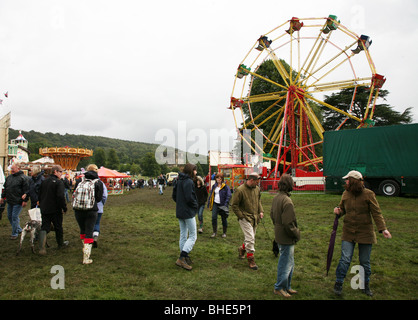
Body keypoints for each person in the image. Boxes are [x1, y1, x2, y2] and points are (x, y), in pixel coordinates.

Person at [333, 170, 392, 297]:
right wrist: (338, 211)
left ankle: (365, 285)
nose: (345, 181)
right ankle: (338, 283)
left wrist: (383, 229)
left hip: (365, 232)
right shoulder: (345, 194)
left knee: (364, 261)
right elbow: (342, 208)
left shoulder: (369, 194)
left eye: (347, 179)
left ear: (353, 181)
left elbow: (376, 213)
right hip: (348, 231)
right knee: (345, 259)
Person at [270, 174, 300, 298]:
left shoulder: (277, 198)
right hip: (286, 236)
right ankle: (279, 287)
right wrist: (296, 233)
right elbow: (289, 223)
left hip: (279, 233)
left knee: (289, 261)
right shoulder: (287, 201)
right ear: (290, 184)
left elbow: (272, 215)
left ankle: (286, 286)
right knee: (285, 262)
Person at [231, 172, 264, 270]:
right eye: (257, 181)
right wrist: (241, 216)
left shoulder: (257, 189)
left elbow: (258, 201)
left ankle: (242, 249)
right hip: (245, 218)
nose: (258, 184)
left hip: (255, 218)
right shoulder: (240, 190)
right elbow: (234, 205)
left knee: (250, 237)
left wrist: (261, 211)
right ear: (251, 180)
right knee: (250, 239)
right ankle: (251, 259)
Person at [73, 164, 104, 264]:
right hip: (91, 209)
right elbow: (99, 198)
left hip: (78, 209)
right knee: (89, 231)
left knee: (82, 230)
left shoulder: (79, 180)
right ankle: (86, 257)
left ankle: (84, 248)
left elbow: (74, 193)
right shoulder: (98, 182)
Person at [172, 163, 198, 271]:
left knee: (183, 234)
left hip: (180, 211)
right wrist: (195, 205)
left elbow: (174, 196)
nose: (196, 172)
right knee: (193, 236)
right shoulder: (188, 181)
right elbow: (189, 198)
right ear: (191, 171)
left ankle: (184, 256)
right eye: (195, 170)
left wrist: (180, 204)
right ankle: (182, 257)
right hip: (187, 212)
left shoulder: (179, 180)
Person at [38, 165, 69, 253]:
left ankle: (42, 247)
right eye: (60, 172)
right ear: (55, 171)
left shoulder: (44, 181)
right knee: (58, 226)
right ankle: (60, 244)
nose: (61, 174)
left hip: (44, 208)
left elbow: (39, 194)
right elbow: (60, 196)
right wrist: (64, 207)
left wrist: (40, 203)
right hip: (55, 209)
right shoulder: (59, 183)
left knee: (44, 227)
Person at [0, 163, 29, 240]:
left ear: (18, 168)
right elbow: (6, 188)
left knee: (14, 217)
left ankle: (14, 233)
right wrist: (2, 197)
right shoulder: (9, 177)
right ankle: (18, 229)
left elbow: (27, 190)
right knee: (9, 216)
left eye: (13, 168)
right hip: (10, 200)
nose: (11, 170)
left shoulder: (23, 178)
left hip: (18, 201)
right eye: (11, 168)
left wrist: (25, 200)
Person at [207, 173, 231, 238]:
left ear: (222, 179)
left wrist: (225, 204)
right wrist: (209, 203)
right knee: (214, 217)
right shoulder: (214, 186)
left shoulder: (225, 186)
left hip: (223, 204)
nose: (218, 180)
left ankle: (224, 233)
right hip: (215, 203)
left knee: (224, 218)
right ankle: (214, 232)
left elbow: (229, 195)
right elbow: (211, 195)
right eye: (217, 178)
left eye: (220, 178)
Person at [93, 180, 108, 248]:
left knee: (88, 223)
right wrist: (102, 204)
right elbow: (105, 195)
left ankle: (88, 239)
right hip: (98, 206)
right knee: (96, 223)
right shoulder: (100, 183)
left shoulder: (84, 182)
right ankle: (95, 236)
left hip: (87, 207)